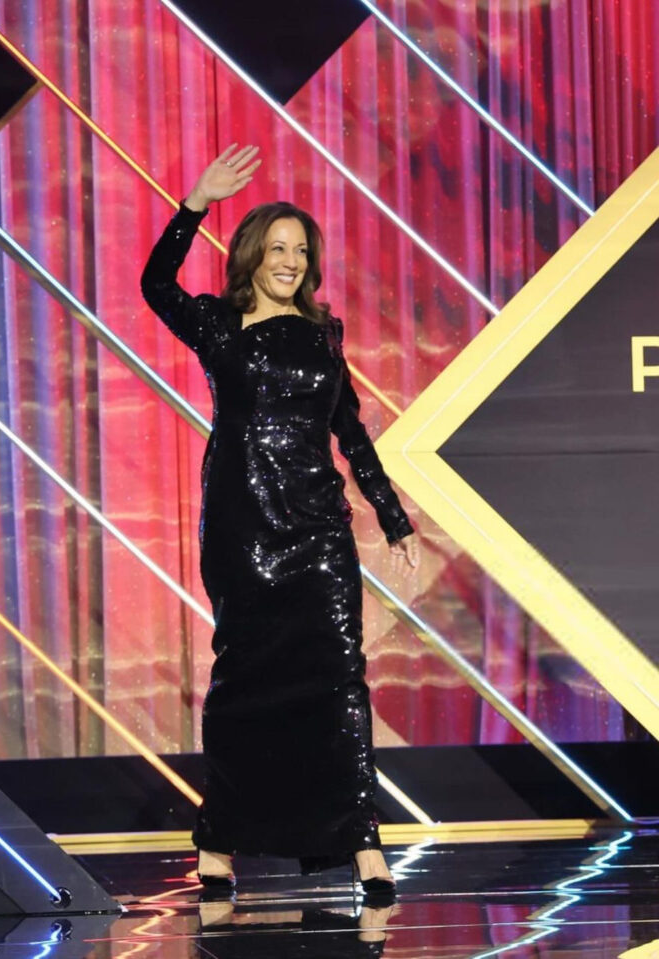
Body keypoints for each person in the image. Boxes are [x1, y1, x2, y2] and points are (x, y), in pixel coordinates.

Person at [141, 144, 419, 897]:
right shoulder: (219, 326)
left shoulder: (325, 336)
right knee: (244, 682)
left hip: (319, 529)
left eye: (301, 249)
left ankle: (361, 841)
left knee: (339, 678)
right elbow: (154, 283)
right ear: (252, 254)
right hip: (242, 525)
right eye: (278, 246)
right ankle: (221, 838)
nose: (291, 259)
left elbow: (350, 430)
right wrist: (195, 200)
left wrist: (392, 517)